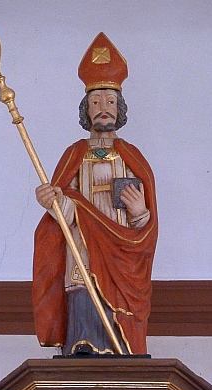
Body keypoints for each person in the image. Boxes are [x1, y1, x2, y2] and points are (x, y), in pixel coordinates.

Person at [33, 33, 158, 356]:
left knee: (118, 312)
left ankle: (122, 353)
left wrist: (140, 212)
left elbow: (146, 226)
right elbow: (65, 207)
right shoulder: (75, 154)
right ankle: (83, 350)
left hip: (122, 255)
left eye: (111, 102)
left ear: (120, 109)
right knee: (84, 299)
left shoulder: (131, 156)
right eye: (96, 102)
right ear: (86, 110)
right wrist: (54, 201)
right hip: (84, 251)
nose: (104, 108)